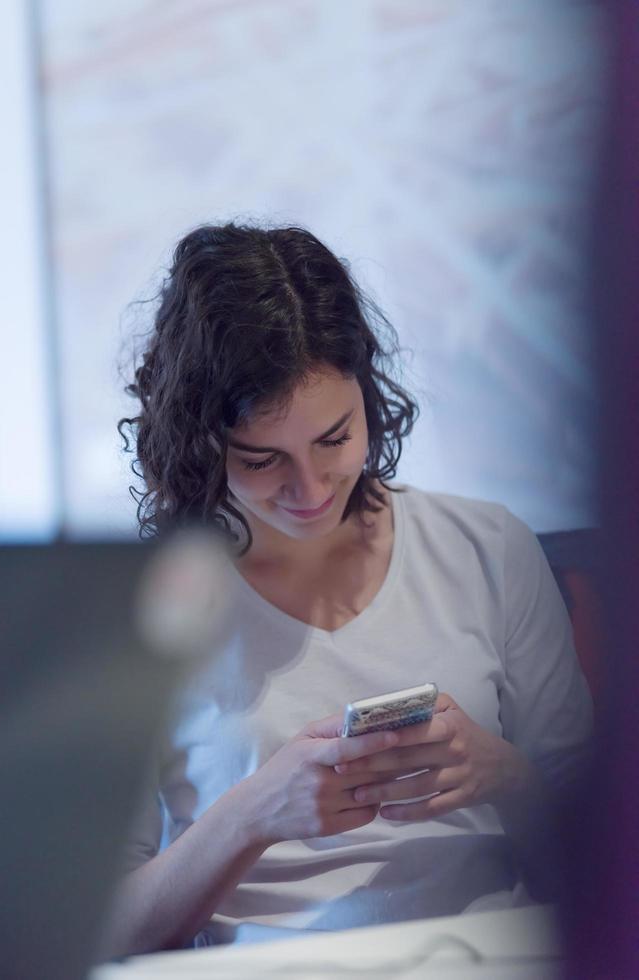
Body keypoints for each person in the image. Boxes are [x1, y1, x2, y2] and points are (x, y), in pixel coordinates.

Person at [108, 223, 593, 956]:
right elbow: (103, 928)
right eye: (262, 458)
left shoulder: (486, 549)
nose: (309, 489)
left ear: (367, 397)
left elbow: (604, 854)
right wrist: (252, 815)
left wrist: (503, 774)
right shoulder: (140, 610)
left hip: (484, 953)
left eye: (334, 438)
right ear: (199, 441)